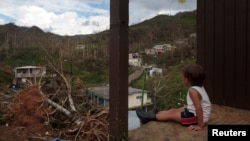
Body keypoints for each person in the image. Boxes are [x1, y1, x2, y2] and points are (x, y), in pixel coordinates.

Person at [136, 63, 211, 131]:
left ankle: (149, 118)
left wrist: (200, 125)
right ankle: (155, 113)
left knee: (171, 114)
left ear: (186, 80)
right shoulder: (199, 87)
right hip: (195, 113)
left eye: (183, 77)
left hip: (196, 118)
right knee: (173, 110)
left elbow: (198, 108)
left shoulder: (193, 91)